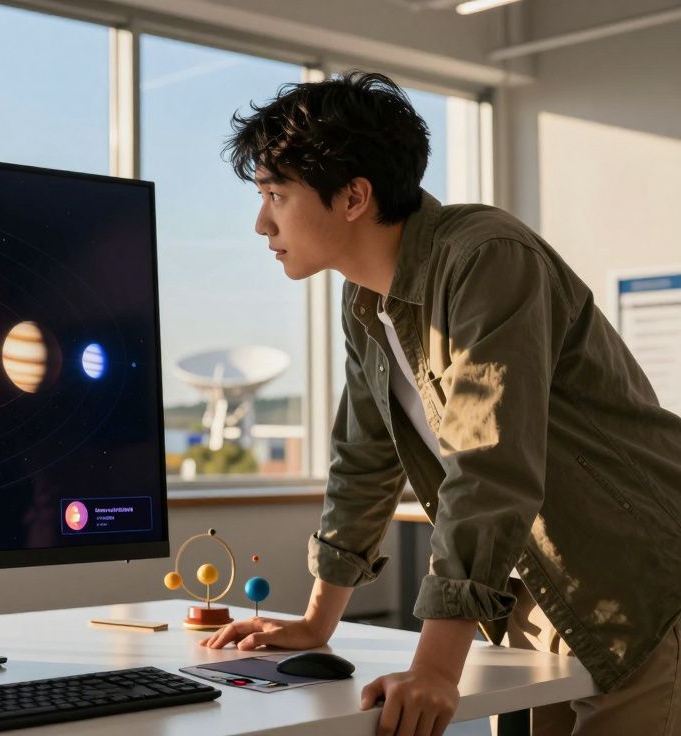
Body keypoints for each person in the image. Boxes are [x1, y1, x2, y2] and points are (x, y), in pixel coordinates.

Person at [200, 71, 681, 736]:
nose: (262, 223)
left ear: (353, 197)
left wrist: (435, 668)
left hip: (640, 583)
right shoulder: (364, 299)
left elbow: (490, 464)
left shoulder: (487, 257)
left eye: (276, 195)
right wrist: (316, 623)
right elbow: (364, 460)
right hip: (540, 598)